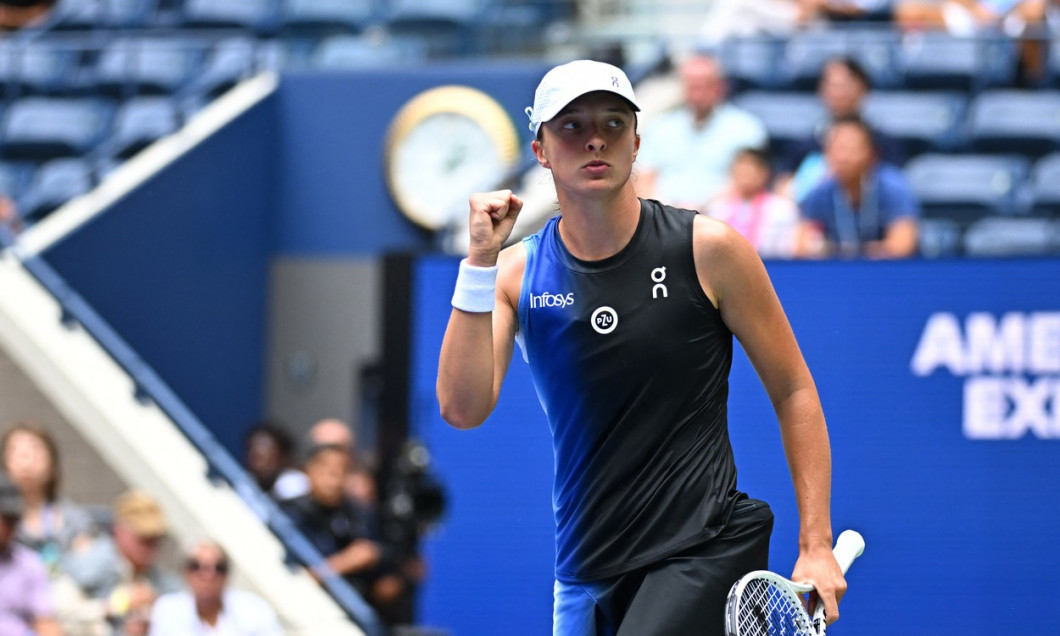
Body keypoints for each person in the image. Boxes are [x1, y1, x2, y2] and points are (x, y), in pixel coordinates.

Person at [436, 59, 845, 635]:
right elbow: (462, 407)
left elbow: (794, 389)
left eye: (612, 122)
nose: (595, 137)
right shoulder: (512, 274)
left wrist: (815, 542)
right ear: (541, 151)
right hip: (584, 565)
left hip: (701, 544)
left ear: (636, 142)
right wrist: (477, 261)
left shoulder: (710, 250)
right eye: (571, 126)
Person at [281, 443, 408, 625]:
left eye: (342, 470)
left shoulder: (360, 515)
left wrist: (390, 581)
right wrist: (346, 562)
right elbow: (290, 578)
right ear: (309, 469)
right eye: (327, 469)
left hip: (356, 618)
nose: (334, 478)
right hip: (306, 617)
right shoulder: (289, 513)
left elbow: (382, 571)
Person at [634, 53, 768, 211]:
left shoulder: (747, 129)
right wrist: (664, 211)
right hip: (663, 217)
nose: (698, 93)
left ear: (720, 87)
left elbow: (748, 181)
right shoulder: (659, 127)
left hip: (723, 217)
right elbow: (644, 178)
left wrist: (701, 210)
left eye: (705, 85)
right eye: (692, 85)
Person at [56, 489, 182, 636]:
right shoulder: (89, 564)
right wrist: (116, 605)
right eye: (143, 539)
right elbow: (56, 615)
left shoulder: (161, 581)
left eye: (156, 540)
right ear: (119, 530)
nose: (150, 548)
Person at [781, 56, 904, 202]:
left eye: (845, 85)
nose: (838, 92)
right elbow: (785, 184)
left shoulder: (883, 144)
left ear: (863, 88)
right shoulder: (805, 146)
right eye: (831, 85)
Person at [797, 115, 920, 258]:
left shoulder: (893, 188)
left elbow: (903, 245)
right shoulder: (821, 192)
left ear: (871, 154)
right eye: (838, 148)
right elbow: (801, 246)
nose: (845, 157)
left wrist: (834, 250)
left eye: (853, 149)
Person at [1, 422, 96, 574]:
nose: (26, 462)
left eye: (35, 451)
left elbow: (89, 568)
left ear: (52, 464)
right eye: (17, 453)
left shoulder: (74, 519)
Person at [148, 538, 282, 636]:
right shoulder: (167, 609)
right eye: (196, 566)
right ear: (184, 571)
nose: (208, 575)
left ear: (227, 574)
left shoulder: (255, 609)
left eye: (218, 568)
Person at [706, 147, 802, 259]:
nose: (744, 175)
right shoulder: (717, 208)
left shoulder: (782, 209)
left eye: (749, 169)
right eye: (740, 169)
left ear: (764, 173)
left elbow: (788, 252)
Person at [0, 470, 62, 636]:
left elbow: (46, 623)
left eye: (13, 518)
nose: (9, 526)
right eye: (5, 517)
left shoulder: (29, 564)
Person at [243, 422, 305, 502]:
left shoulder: (295, 485)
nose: (257, 464)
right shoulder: (244, 483)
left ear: (282, 457)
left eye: (262, 457)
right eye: (253, 454)